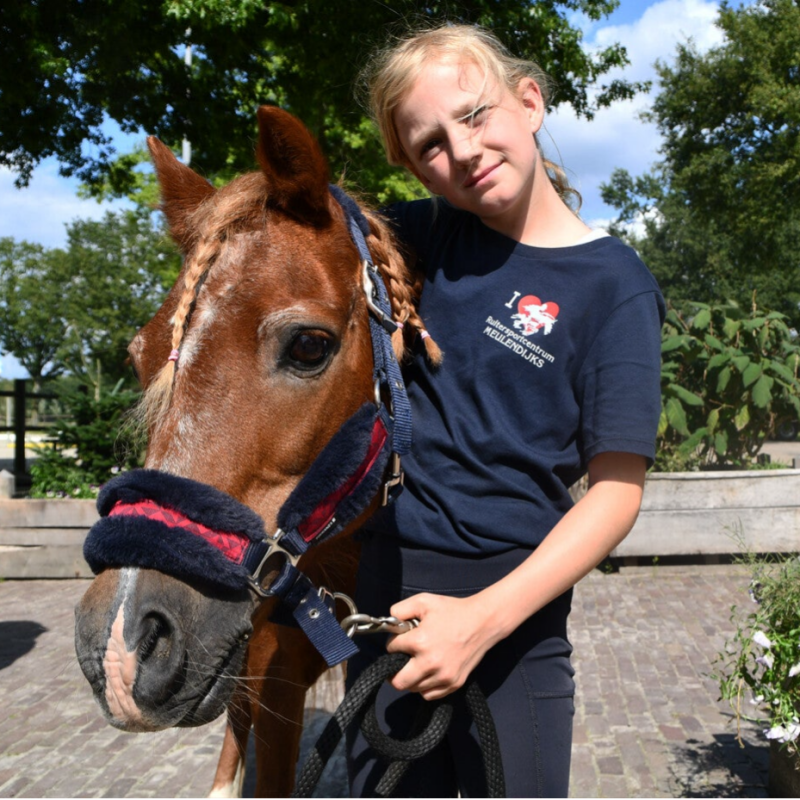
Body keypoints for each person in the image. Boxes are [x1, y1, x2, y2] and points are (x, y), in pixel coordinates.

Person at [346, 24, 665, 799]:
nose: (462, 150)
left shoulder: (614, 283)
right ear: (416, 169)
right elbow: (311, 232)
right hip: (388, 608)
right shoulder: (427, 236)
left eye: (476, 114)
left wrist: (481, 622)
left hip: (514, 624)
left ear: (529, 101)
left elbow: (616, 492)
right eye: (429, 146)